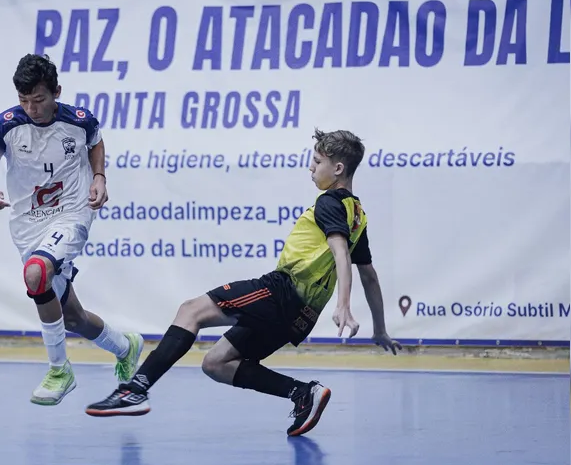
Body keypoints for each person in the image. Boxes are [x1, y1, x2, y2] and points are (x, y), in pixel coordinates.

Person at [84, 128, 402, 436]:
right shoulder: (356, 213)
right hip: (301, 315)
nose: (311, 168)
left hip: (281, 291)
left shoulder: (329, 203)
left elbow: (341, 254)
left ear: (338, 168)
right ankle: (303, 393)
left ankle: (135, 390)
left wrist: (344, 305)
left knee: (190, 311)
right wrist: (380, 328)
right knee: (217, 363)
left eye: (317, 162)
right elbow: (369, 275)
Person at [0, 53, 143, 406]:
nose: (31, 108)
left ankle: (59, 371)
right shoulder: (6, 125)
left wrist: (99, 177)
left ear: (56, 92)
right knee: (73, 318)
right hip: (28, 226)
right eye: (24, 100)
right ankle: (126, 347)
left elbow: (95, 140)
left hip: (72, 213)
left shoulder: (78, 120)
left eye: (39, 99)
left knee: (36, 274)